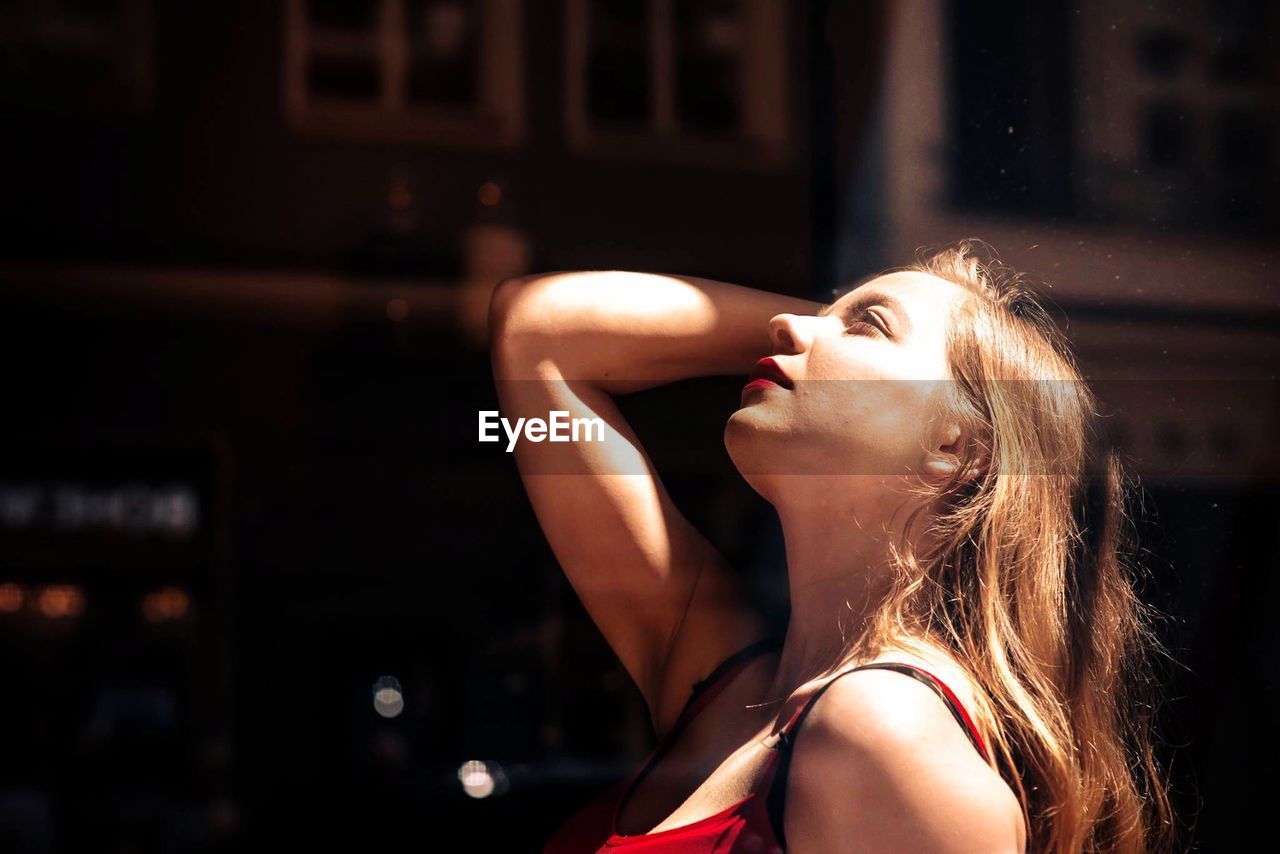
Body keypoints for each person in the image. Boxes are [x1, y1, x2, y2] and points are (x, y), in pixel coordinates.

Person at [488, 240, 1177, 853]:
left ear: (955, 449)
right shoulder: (731, 685)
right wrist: (829, 335)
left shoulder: (886, 738)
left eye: (869, 326)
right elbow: (537, 330)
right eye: (816, 315)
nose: (787, 327)